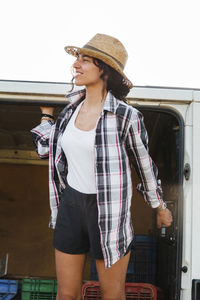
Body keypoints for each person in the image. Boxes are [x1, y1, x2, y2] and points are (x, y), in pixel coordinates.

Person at [31, 33, 173, 300]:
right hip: (71, 207)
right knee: (66, 294)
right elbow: (45, 149)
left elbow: (144, 166)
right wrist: (46, 115)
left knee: (111, 294)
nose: (76, 65)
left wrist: (159, 206)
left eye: (85, 60)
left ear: (104, 69)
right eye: (77, 59)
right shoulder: (69, 113)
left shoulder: (126, 116)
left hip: (109, 211)